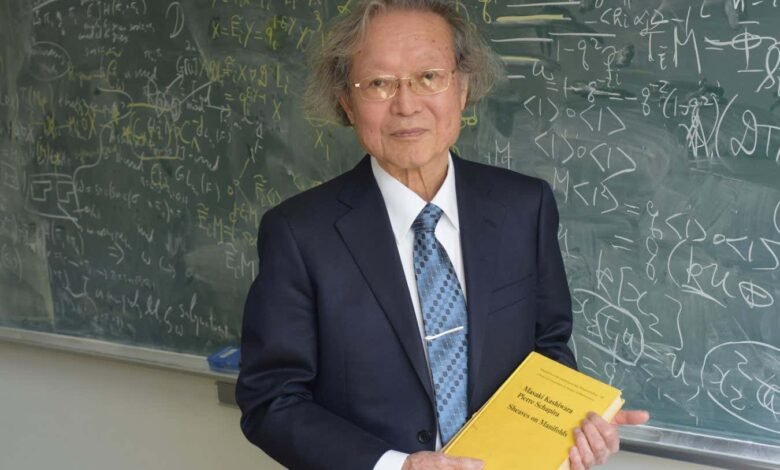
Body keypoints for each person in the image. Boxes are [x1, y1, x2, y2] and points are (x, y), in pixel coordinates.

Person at [236, 1, 649, 469]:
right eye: (379, 83)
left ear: (462, 87)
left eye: (429, 77)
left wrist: (574, 421)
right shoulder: (298, 233)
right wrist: (398, 466)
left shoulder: (523, 207)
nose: (406, 104)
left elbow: (548, 347)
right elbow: (271, 401)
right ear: (347, 103)